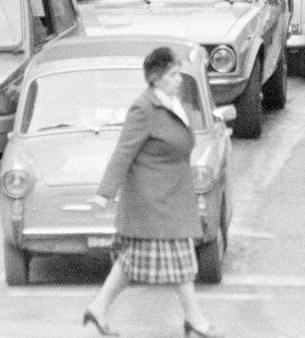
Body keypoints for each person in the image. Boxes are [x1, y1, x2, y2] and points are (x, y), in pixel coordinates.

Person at [84, 46, 222, 338]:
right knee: (181, 262)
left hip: (171, 198)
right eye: (173, 75)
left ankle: (97, 308)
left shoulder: (171, 103)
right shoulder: (144, 108)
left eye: (178, 74)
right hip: (154, 203)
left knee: (131, 264)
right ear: (156, 78)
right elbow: (124, 151)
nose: (178, 80)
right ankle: (195, 320)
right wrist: (104, 193)